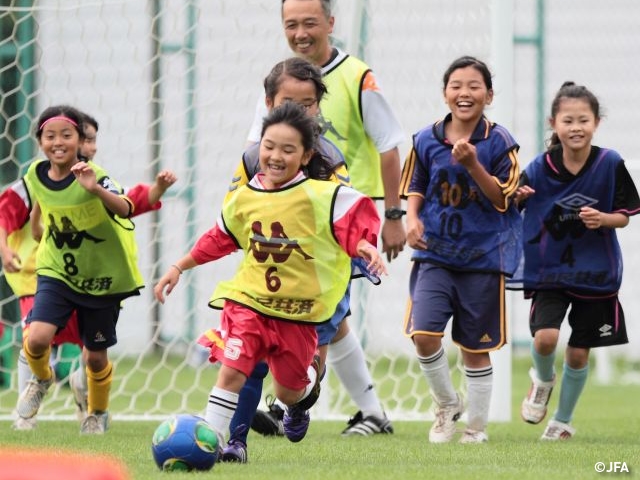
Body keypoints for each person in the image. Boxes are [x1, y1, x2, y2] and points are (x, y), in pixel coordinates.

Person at [154, 102, 386, 457]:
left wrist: (365, 246)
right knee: (233, 371)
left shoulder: (322, 196)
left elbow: (352, 224)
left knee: (287, 391)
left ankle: (301, 399)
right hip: (249, 302)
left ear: (306, 155)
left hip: (298, 312)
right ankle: (217, 443)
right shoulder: (244, 196)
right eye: (269, 146)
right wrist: (178, 266)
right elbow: (220, 237)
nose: (276, 156)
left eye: (288, 149)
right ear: (258, 146)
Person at [247, 0, 405, 439]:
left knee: (314, 312)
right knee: (331, 321)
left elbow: (390, 144)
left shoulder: (357, 77)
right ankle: (372, 412)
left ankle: (284, 405)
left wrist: (393, 214)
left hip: (345, 220)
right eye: (291, 24)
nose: (300, 32)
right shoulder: (278, 82)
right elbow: (253, 155)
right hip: (290, 221)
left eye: (309, 23)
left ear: (330, 24)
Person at [221, 57, 387, 463]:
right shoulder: (252, 157)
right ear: (268, 102)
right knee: (251, 358)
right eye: (286, 101)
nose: (297, 110)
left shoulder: (327, 159)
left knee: (304, 368)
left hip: (318, 280)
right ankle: (235, 443)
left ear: (318, 107)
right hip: (267, 274)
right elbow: (236, 211)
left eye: (308, 103)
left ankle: (297, 404)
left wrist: (361, 245)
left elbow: (341, 215)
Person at [0, 105, 144, 434]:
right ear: (39, 141)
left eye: (67, 135)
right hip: (56, 273)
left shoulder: (95, 174)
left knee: (94, 358)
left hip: (100, 280)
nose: (58, 142)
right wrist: (12, 245)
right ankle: (41, 378)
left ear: (80, 141)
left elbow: (126, 208)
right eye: (50, 136)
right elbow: (32, 218)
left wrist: (95, 189)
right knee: (35, 338)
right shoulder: (35, 175)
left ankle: (97, 412)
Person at [400, 56, 522, 444]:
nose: (464, 93)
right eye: (456, 85)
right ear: (445, 93)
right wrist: (412, 218)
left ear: (488, 94)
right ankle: (447, 405)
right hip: (435, 254)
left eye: (473, 86)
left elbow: (502, 199)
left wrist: (472, 165)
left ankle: (476, 428)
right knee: (423, 333)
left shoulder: (500, 142)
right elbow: (416, 183)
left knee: (474, 348)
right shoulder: (425, 139)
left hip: (483, 259)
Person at [515, 82, 640, 440]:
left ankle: (562, 421)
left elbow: (625, 215)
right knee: (545, 339)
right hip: (550, 270)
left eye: (583, 120)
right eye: (567, 120)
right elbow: (513, 206)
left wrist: (603, 218)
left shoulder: (610, 163)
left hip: (596, 273)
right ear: (553, 123)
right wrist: (517, 198)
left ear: (596, 123)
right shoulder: (539, 168)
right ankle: (541, 380)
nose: (576, 127)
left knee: (578, 353)